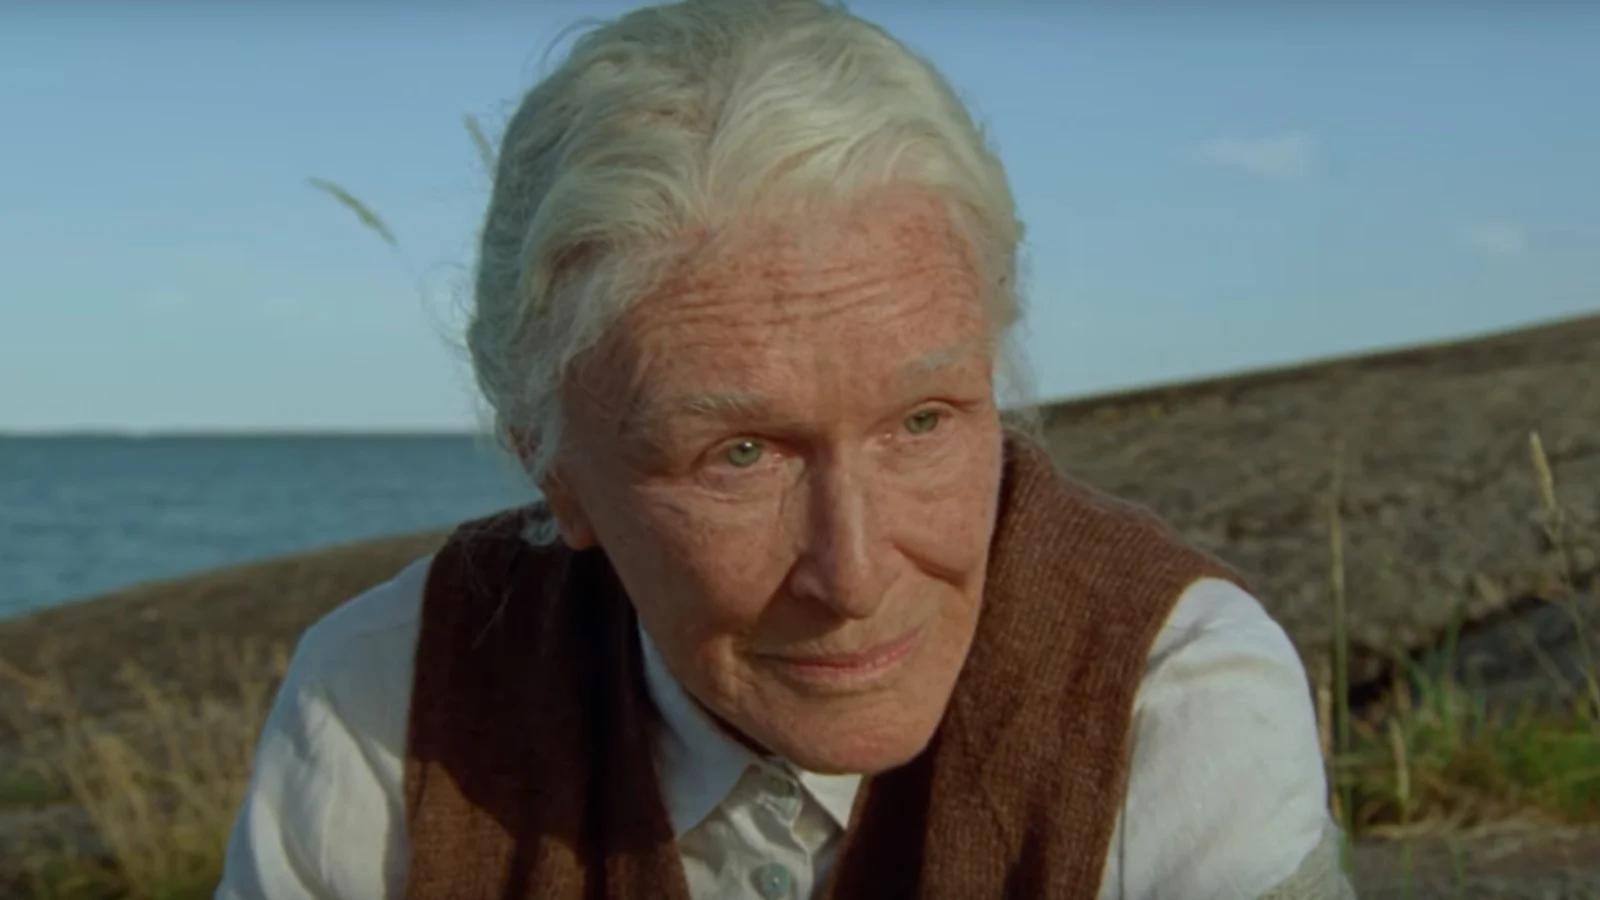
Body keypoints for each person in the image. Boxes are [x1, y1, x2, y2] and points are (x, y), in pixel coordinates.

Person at [217, 1, 1352, 897]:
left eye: (922, 423)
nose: (853, 574)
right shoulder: (384, 708)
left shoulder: (1170, 696)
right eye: (740, 455)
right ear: (552, 468)